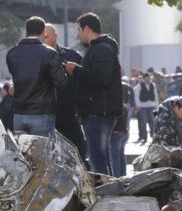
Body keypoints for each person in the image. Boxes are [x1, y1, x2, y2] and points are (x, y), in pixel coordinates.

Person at [62, 12, 123, 175]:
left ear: (87, 28)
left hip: (99, 114)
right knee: (101, 158)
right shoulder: (98, 48)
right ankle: (109, 192)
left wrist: (76, 70)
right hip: (96, 112)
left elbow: (101, 77)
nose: (77, 34)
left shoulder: (102, 49)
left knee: (98, 161)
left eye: (79, 29)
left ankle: (106, 194)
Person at [6, 16, 67, 136]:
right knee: (42, 154)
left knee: (23, 153)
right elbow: (60, 81)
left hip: (19, 112)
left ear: (26, 30)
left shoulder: (12, 53)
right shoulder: (49, 53)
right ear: (44, 31)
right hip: (42, 113)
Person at [43, 23, 87, 163]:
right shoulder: (37, 57)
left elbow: (84, 83)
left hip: (69, 114)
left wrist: (81, 108)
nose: (43, 39)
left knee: (79, 151)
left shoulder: (72, 56)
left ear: (55, 35)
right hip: (45, 114)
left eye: (46, 36)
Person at [134, 72, 159, 144]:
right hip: (143, 106)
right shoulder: (140, 85)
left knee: (152, 122)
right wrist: (138, 105)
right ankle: (144, 138)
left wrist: (157, 107)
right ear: (144, 78)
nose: (148, 80)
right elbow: (136, 96)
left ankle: (153, 136)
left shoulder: (153, 85)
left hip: (152, 106)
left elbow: (156, 96)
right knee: (143, 122)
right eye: (147, 78)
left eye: (149, 78)